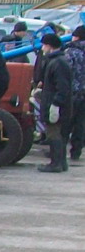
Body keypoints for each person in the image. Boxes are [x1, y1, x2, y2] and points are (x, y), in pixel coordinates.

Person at [36, 31, 74, 173]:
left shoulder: (57, 63)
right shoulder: (58, 61)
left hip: (57, 105)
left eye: (44, 45)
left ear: (50, 46)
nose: (42, 48)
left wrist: (55, 104)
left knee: (54, 134)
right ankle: (61, 163)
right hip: (58, 104)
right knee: (58, 134)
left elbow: (62, 87)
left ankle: (56, 163)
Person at [64, 25, 85, 162]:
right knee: (81, 123)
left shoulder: (70, 52)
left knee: (66, 122)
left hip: (72, 93)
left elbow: (65, 72)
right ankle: (76, 151)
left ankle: (59, 151)